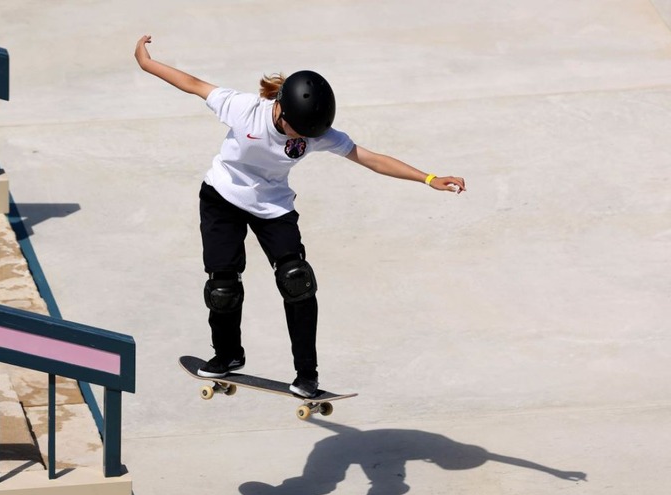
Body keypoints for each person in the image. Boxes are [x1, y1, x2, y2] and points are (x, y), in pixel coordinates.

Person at [135, 35, 465, 398]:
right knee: (223, 286)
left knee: (297, 281)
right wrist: (146, 62)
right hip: (222, 197)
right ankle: (227, 355)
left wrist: (429, 178)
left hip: (273, 206)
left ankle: (307, 376)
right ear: (281, 110)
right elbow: (193, 84)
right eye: (301, 132)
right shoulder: (244, 108)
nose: (306, 140)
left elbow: (370, 158)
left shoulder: (316, 132)